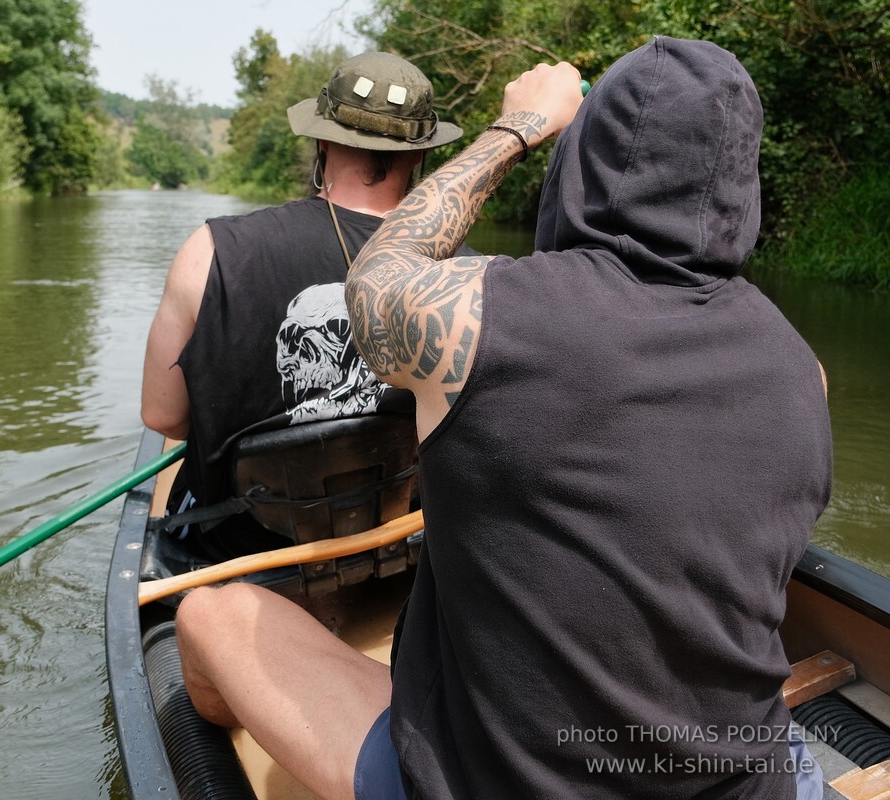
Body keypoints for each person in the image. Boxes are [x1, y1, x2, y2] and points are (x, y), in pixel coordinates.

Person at [175, 36, 832, 800]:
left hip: (497, 786)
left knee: (209, 615)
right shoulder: (801, 370)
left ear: (582, 165)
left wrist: (516, 127)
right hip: (749, 785)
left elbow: (375, 279)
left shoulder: (489, 320)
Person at [140, 52, 471, 561]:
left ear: (321, 139)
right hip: (402, 538)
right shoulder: (471, 272)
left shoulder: (211, 251)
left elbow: (164, 416)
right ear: (422, 155)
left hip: (241, 550)